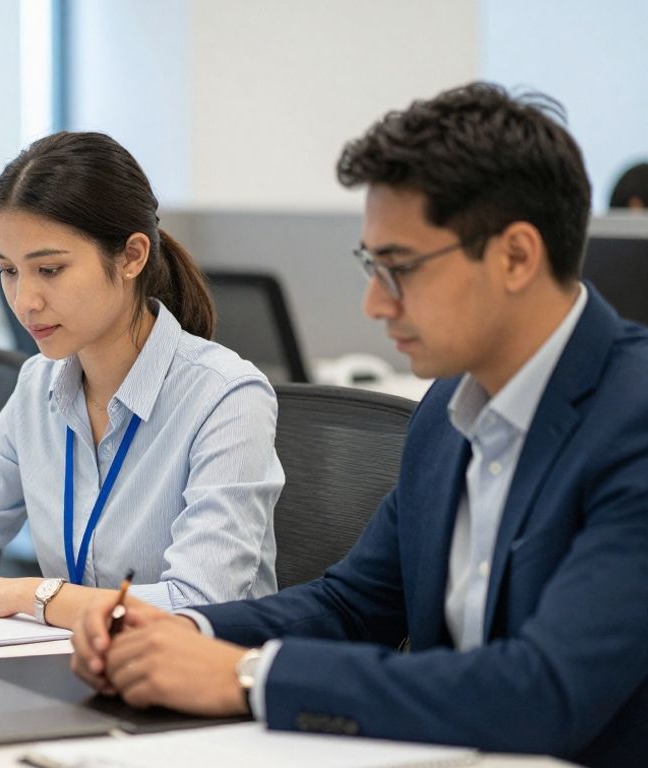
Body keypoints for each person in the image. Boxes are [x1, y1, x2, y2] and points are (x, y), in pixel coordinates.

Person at [70, 83, 648, 767]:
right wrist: (182, 630)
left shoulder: (632, 420)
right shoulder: (449, 410)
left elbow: (542, 693)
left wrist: (249, 677)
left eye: (399, 269)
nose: (374, 303)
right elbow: (352, 606)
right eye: (372, 265)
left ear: (516, 257)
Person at [0, 131, 283, 631]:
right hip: (72, 661)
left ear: (132, 256)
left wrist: (30, 594)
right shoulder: (38, 385)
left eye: (50, 269)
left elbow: (200, 600)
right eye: (8, 271)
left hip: (193, 671)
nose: (25, 301)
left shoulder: (225, 395)